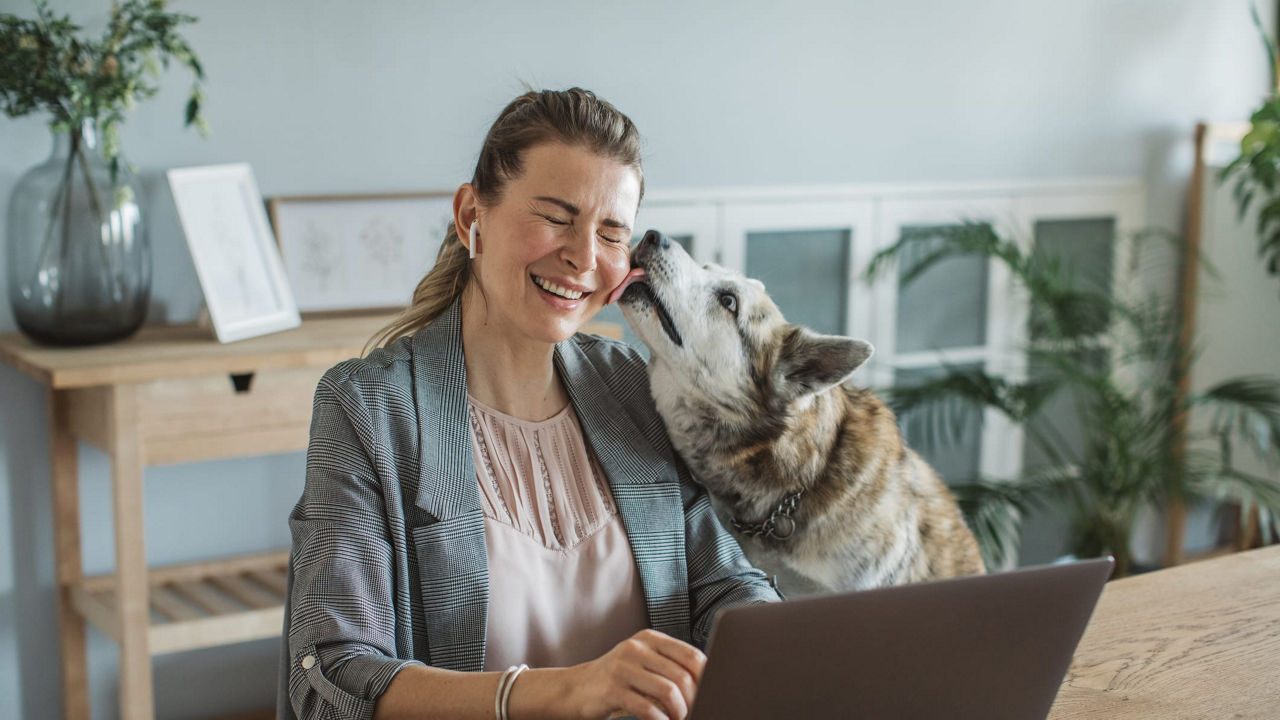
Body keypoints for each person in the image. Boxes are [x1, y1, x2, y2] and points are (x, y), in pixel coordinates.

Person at [278, 88, 781, 720]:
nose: (582, 256)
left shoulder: (636, 387)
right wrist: (565, 691)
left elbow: (724, 584)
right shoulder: (368, 408)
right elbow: (331, 674)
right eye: (555, 216)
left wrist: (770, 639)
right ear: (471, 217)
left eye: (610, 232)